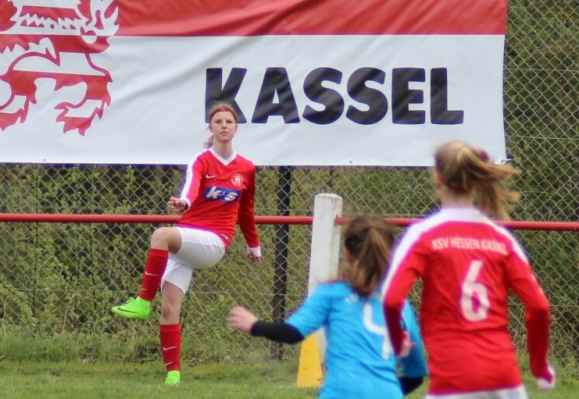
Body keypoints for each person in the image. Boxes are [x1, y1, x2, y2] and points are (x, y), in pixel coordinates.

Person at [382, 140, 555, 398]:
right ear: (474, 181)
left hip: (453, 379)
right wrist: (539, 366)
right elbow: (539, 307)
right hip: (504, 378)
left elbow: (391, 300)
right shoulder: (501, 239)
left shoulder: (422, 235)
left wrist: (398, 343)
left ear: (438, 178)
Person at [110, 101, 261, 385]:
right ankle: (173, 374)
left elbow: (246, 210)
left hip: (214, 242)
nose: (224, 126)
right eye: (218, 122)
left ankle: (142, 301)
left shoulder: (246, 168)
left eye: (229, 121)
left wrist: (254, 245)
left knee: (161, 235)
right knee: (169, 309)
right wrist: (185, 203)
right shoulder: (201, 160)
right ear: (210, 127)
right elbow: (190, 189)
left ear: (236, 128)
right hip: (188, 240)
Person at [227, 215, 427, 399]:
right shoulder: (400, 305)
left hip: (340, 393)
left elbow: (293, 333)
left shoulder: (332, 293)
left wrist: (254, 325)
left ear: (347, 253)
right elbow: (415, 376)